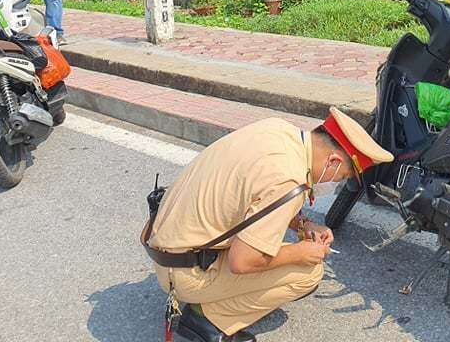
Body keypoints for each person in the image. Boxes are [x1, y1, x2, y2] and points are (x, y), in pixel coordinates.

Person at [146, 109, 393, 342]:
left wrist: (303, 224)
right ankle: (207, 318)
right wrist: (301, 252)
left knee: (279, 251)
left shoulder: (277, 130)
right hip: (184, 275)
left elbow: (252, 198)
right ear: (333, 161)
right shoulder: (288, 180)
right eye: (341, 177)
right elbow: (242, 261)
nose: (335, 184)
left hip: (169, 248)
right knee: (309, 273)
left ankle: (207, 303)